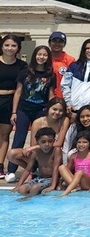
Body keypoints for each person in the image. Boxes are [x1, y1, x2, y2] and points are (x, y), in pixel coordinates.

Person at [6, 45, 56, 183]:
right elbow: (18, 92)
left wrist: (51, 111)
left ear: (48, 57)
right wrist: (14, 112)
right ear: (34, 56)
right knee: (19, 138)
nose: (41, 57)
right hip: (23, 109)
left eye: (44, 55)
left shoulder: (51, 75)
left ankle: (34, 169)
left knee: (38, 140)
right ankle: (11, 170)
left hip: (41, 110)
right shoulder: (25, 72)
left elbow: (51, 94)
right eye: (39, 54)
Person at [7, 97, 68, 172]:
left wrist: (34, 147)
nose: (57, 112)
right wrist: (34, 148)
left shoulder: (64, 120)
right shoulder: (37, 122)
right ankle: (32, 171)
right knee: (11, 154)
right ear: (48, 108)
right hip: (40, 153)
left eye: (60, 110)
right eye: (54, 109)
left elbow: (59, 143)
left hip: (54, 154)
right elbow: (33, 144)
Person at [0, 35, 27, 179]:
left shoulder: (22, 66)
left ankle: (0, 166)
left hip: (10, 101)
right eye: (7, 45)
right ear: (2, 46)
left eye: (13, 46)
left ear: (18, 48)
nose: (9, 48)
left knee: (4, 135)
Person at [11, 127, 59, 197]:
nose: (47, 144)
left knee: (35, 188)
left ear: (54, 141)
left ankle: (28, 200)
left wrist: (53, 186)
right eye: (43, 142)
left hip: (51, 179)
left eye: (50, 141)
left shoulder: (56, 150)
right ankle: (29, 199)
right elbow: (28, 169)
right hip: (39, 178)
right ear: (37, 142)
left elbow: (56, 168)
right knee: (22, 189)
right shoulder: (35, 152)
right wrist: (18, 185)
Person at [58, 130, 90, 196]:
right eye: (79, 142)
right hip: (76, 183)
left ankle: (65, 193)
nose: (81, 144)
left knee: (79, 173)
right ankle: (75, 187)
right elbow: (67, 171)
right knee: (62, 167)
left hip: (88, 183)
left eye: (84, 142)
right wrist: (59, 184)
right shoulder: (73, 156)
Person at [48, 31, 75, 98]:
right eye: (54, 41)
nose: (57, 44)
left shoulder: (70, 60)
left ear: (64, 44)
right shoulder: (45, 58)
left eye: (60, 42)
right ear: (49, 43)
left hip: (63, 98)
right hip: (44, 98)